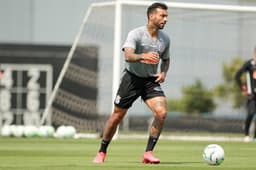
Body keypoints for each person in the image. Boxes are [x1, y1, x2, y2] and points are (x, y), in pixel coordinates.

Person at [93, 2, 170, 164]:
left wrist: (163, 72)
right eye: (162, 15)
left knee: (161, 113)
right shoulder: (136, 34)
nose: (166, 19)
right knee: (117, 117)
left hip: (150, 81)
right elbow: (128, 56)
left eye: (166, 16)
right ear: (151, 16)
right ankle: (102, 152)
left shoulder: (165, 39)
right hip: (131, 79)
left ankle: (148, 153)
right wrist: (143, 56)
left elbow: (166, 59)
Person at [235, 47, 256, 142]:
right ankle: (247, 134)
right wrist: (243, 88)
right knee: (251, 114)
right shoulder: (249, 64)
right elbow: (237, 75)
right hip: (251, 95)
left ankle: (255, 137)